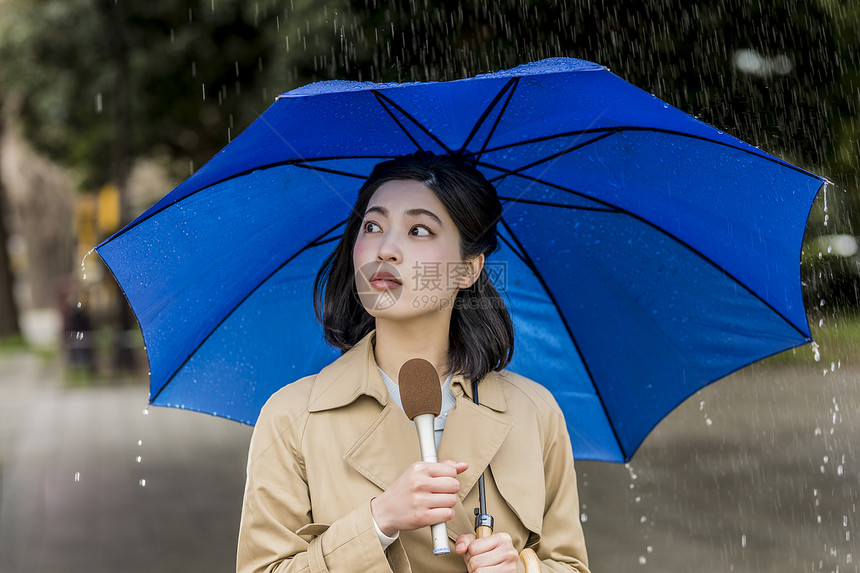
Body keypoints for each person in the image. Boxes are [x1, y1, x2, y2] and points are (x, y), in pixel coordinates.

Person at [237, 153, 590, 573]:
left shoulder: (534, 412)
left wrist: (524, 570)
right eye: (372, 226)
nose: (385, 250)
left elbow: (570, 564)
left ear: (469, 269)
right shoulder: (291, 418)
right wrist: (378, 521)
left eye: (419, 230)